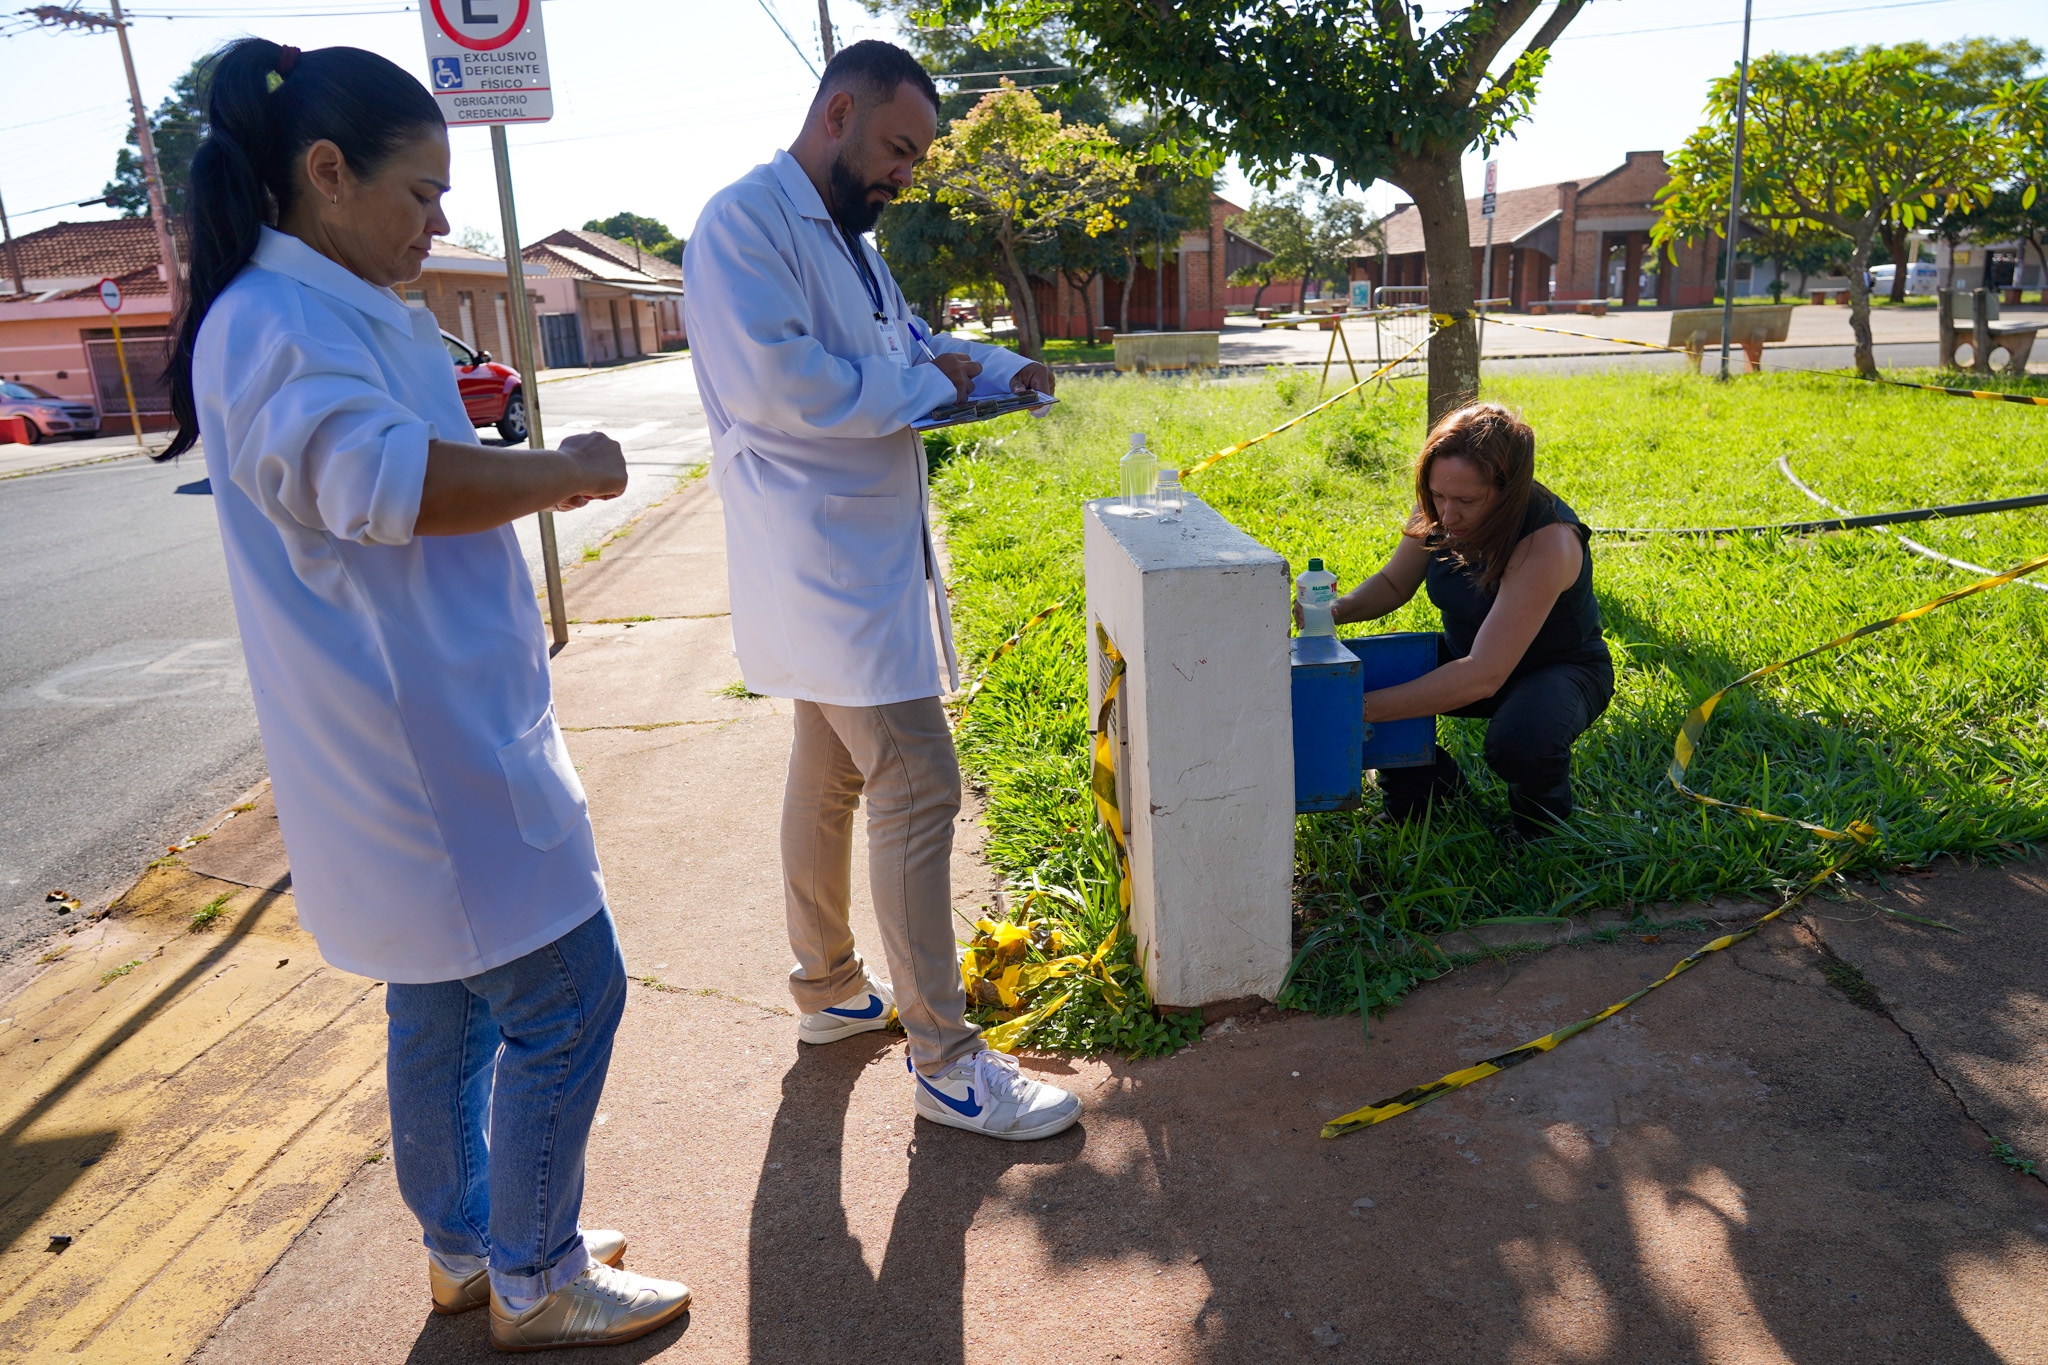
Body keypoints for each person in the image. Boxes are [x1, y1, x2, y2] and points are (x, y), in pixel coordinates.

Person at [166, 39, 691, 1350]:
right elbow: (390, 484)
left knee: (444, 1007)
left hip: (424, 729)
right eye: (420, 192)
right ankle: (536, 1273)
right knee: (569, 997)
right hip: (423, 747)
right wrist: (563, 470)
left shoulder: (319, 305)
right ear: (326, 172)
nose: (437, 222)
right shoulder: (278, 323)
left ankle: (470, 1245)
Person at [683, 40, 1080, 1141]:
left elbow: (910, 345)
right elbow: (783, 385)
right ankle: (946, 1062)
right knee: (917, 780)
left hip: (846, 563)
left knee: (828, 775)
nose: (906, 174)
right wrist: (920, 380)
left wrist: (997, 370)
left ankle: (827, 987)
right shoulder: (743, 224)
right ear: (838, 114)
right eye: (898, 149)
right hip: (819, 563)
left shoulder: (849, 243)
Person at [1318, 403, 1613, 839]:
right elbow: (1394, 583)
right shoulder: (1443, 505)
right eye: (1437, 495)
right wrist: (1333, 610)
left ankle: (1539, 826)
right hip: (1469, 657)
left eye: (1466, 501)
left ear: (1509, 490)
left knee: (1520, 739)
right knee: (1368, 675)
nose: (1447, 515)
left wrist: (1359, 711)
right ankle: (1425, 797)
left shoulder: (1549, 541)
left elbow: (1483, 675)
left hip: (1557, 670)